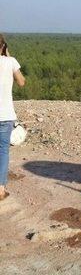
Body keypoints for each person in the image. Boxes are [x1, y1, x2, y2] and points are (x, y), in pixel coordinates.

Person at [0, 34, 25, 201]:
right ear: (3, 46)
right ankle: (1, 189)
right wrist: (8, 56)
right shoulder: (10, 62)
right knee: (3, 151)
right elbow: (22, 82)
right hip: (5, 114)